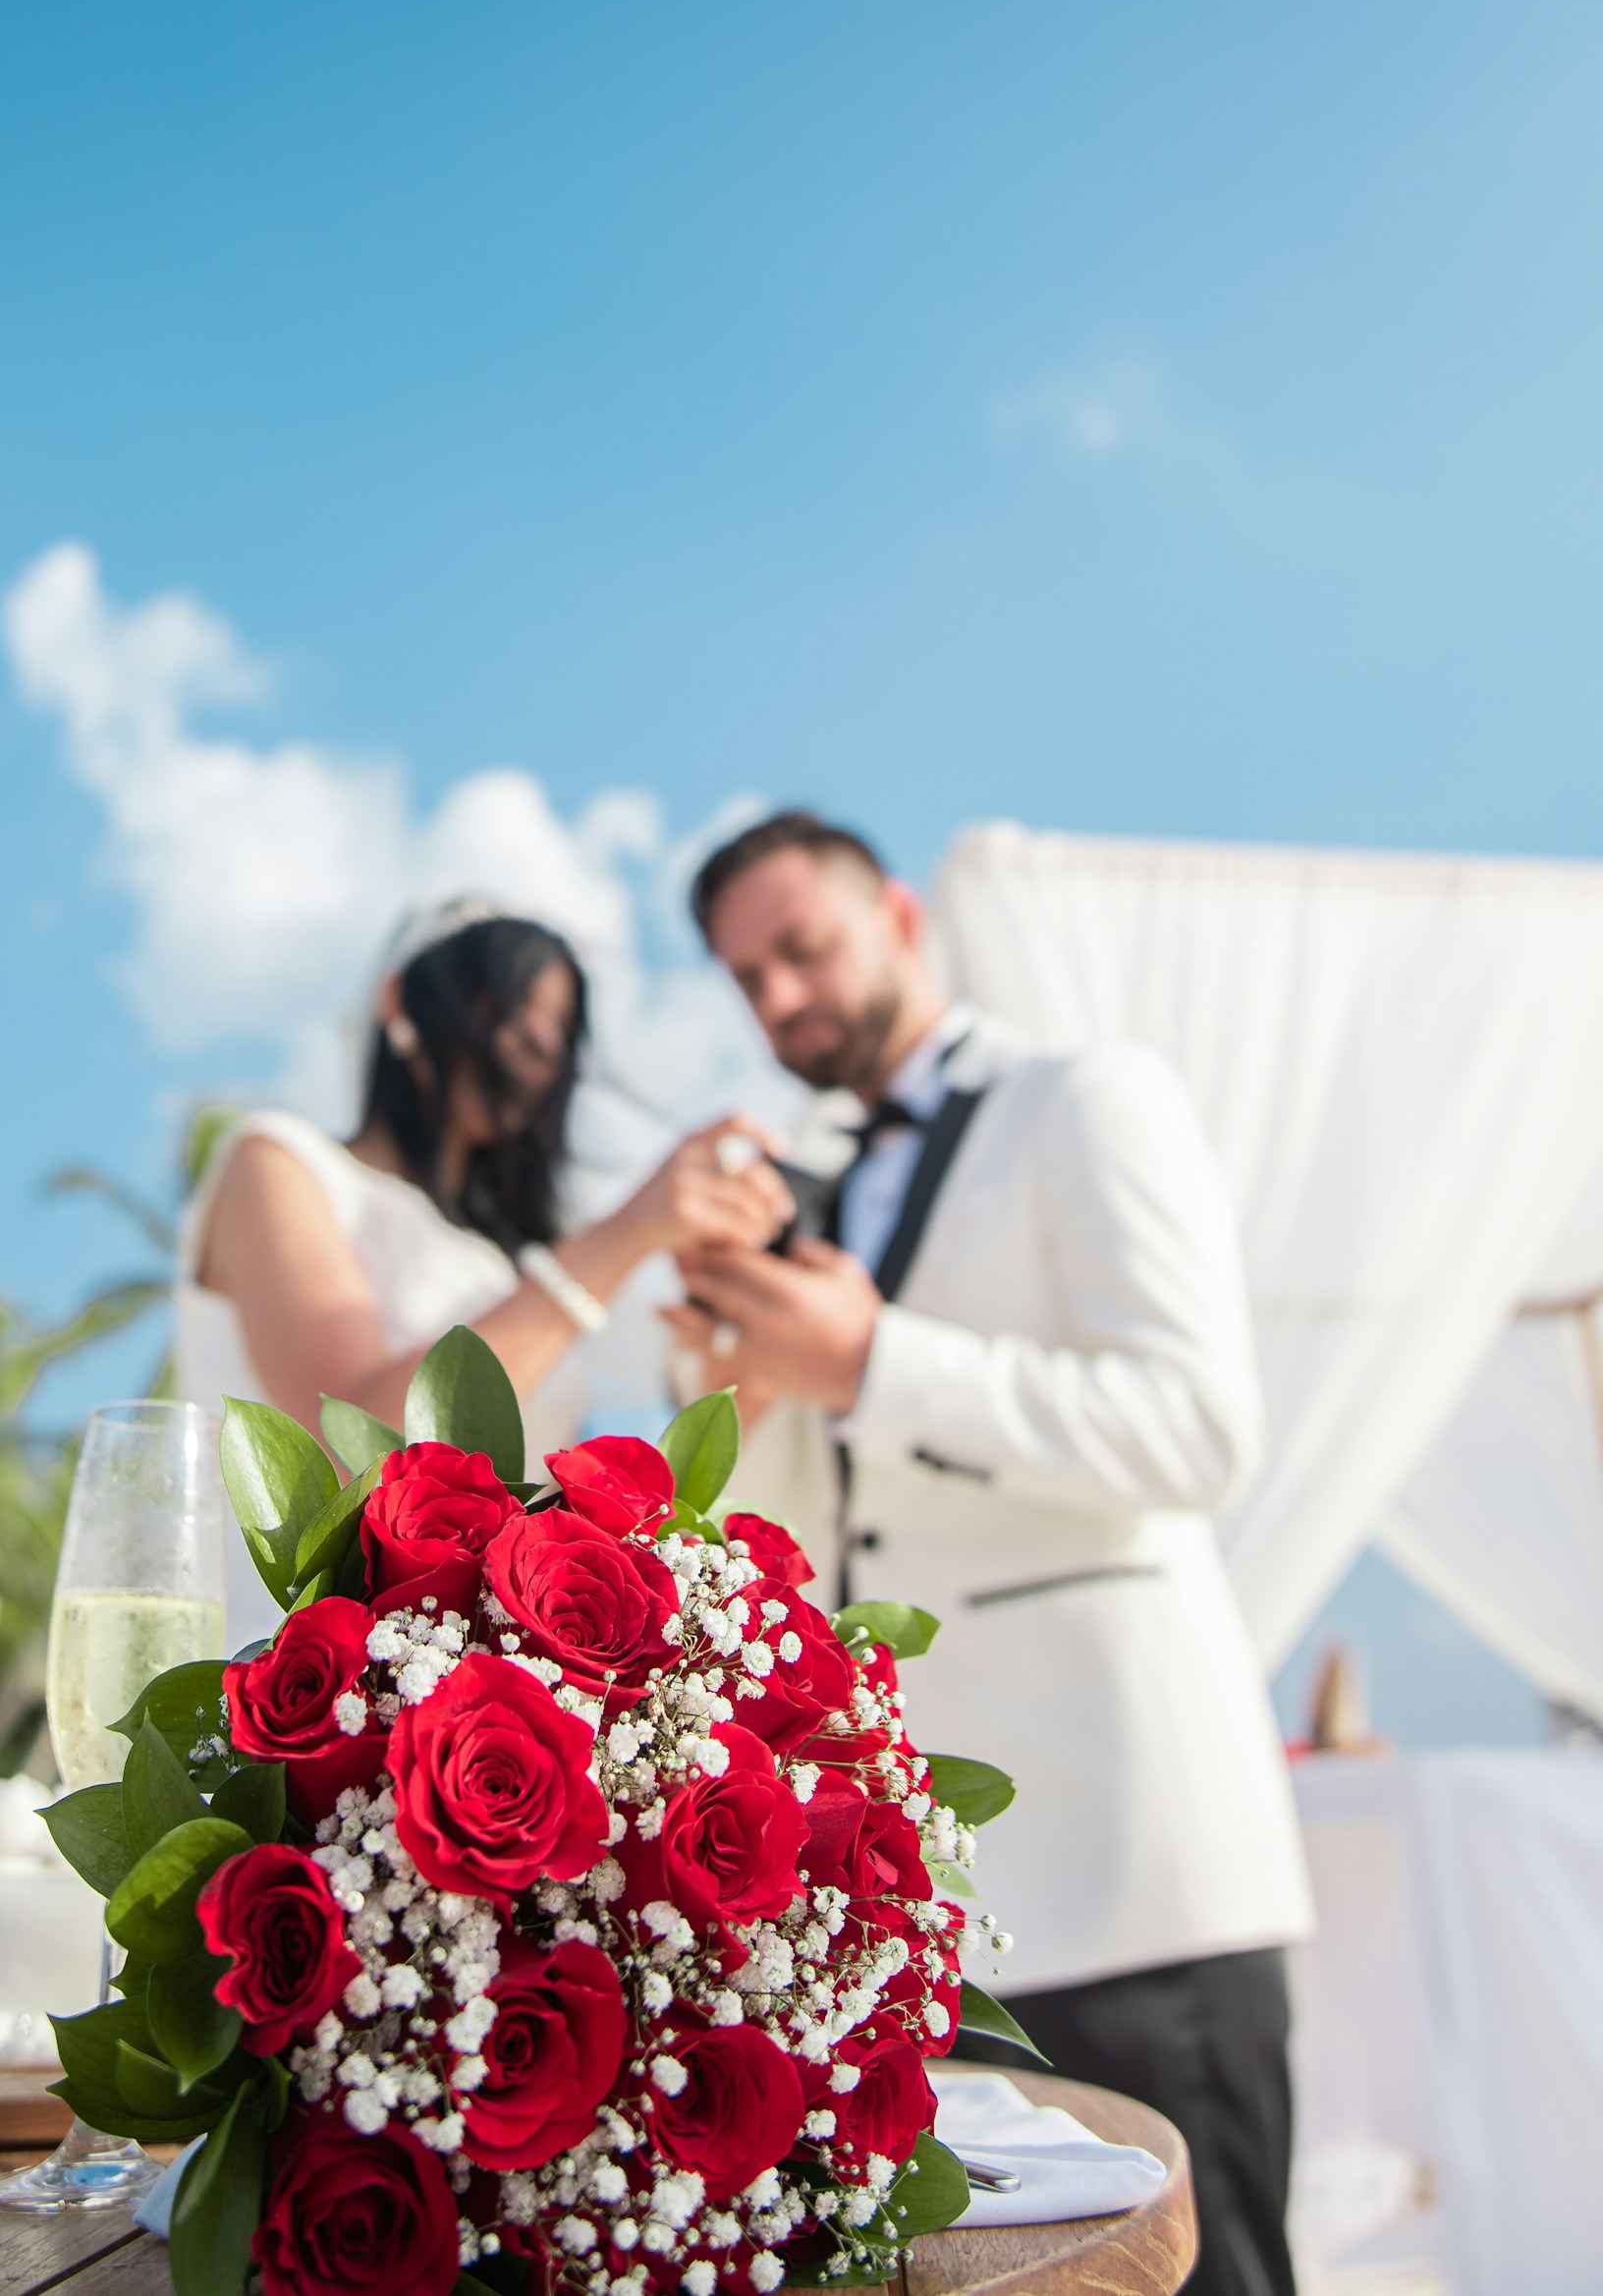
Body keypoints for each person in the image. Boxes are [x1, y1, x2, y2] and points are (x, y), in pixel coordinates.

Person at [665, 812, 1312, 2296]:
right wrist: (745, 1382)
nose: (777, 1000)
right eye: (745, 977)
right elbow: (817, 1530)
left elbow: (1202, 1429)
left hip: (1135, 1870)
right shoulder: (815, 1181)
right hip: (925, 1912)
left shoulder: (1089, 1096)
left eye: (801, 948)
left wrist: (879, 1353)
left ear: (899, 914)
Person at [178, 899, 790, 1645]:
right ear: (402, 1002)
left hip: (465, 1708)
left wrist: (743, 1360)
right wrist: (625, 1234)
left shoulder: (509, 1270)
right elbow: (354, 1446)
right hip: (284, 1669)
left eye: (560, 1030)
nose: (538, 1047)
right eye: (508, 1010)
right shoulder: (279, 1162)